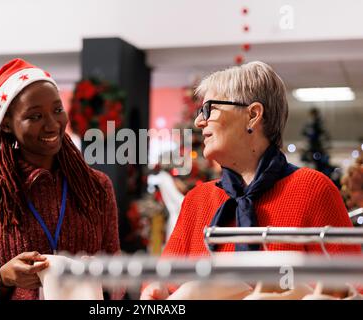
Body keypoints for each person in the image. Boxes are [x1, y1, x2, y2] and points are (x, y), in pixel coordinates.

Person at [141, 61, 361, 300]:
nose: (199, 122)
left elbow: (350, 285)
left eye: (209, 109)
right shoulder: (197, 200)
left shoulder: (312, 189)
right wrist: (156, 290)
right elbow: (164, 280)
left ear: (253, 115)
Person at [0, 58, 120, 300]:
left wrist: (104, 275)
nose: (52, 125)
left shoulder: (97, 186)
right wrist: (2, 278)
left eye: (57, 110)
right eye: (35, 116)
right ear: (7, 125)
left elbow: (119, 280)